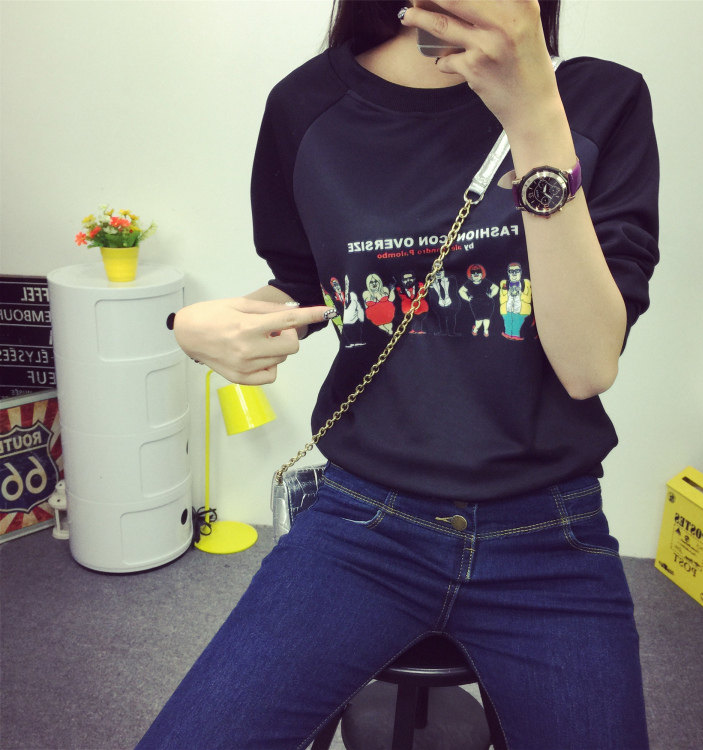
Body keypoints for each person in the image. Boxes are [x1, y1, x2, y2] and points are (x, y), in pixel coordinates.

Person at [137, 1, 659, 747]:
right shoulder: (307, 107)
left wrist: (535, 113)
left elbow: (588, 365)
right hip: (365, 524)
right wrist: (194, 329)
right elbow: (307, 285)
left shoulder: (601, 98)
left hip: (550, 536)